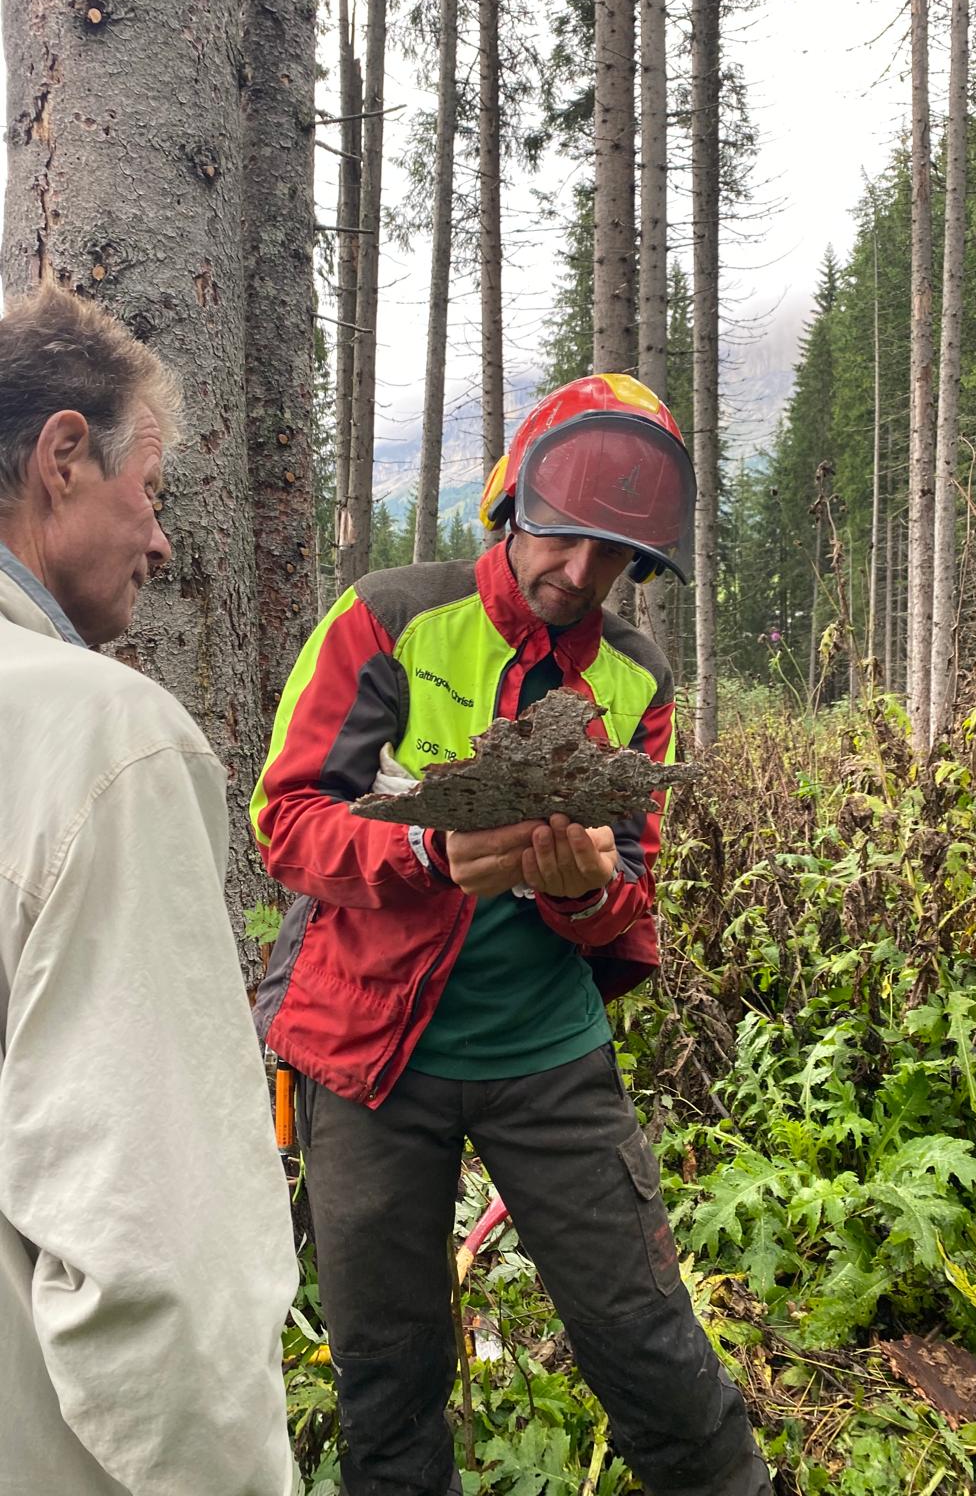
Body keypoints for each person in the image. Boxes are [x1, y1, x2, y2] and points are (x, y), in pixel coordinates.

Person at [251, 373, 770, 1496]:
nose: (579, 577)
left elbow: (632, 883)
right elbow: (285, 822)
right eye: (565, 537)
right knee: (387, 1372)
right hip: (370, 1056)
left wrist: (584, 890)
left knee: (645, 1334)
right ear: (511, 501)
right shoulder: (389, 618)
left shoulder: (637, 676)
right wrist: (426, 855)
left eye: (615, 557)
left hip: (545, 1052)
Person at [0, 285, 298, 1496]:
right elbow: (161, 1251)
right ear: (63, 458)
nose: (164, 540)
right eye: (152, 492)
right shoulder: (105, 741)